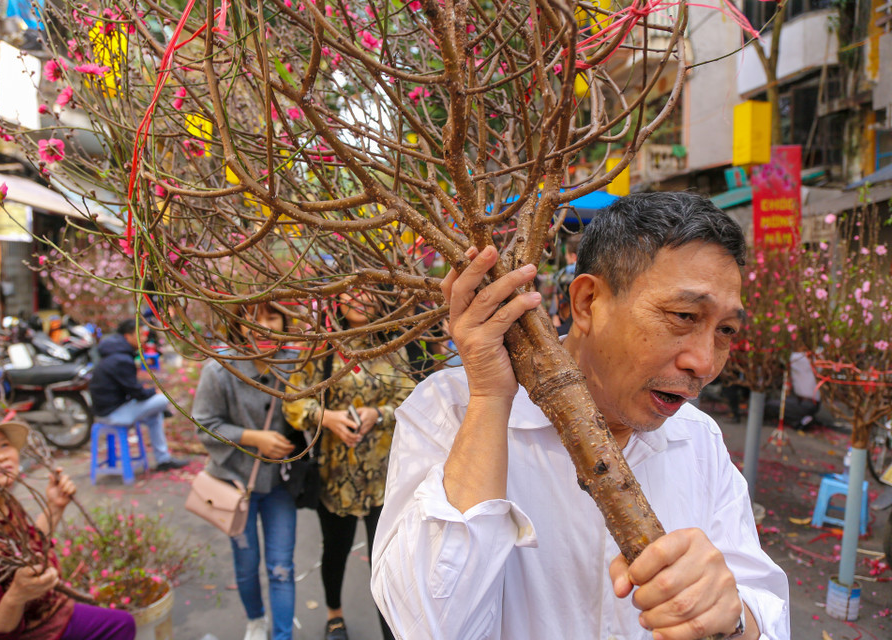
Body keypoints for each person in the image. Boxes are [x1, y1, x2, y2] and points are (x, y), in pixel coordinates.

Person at [371, 192, 790, 639]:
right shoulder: (453, 411)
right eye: (683, 315)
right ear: (588, 302)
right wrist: (491, 399)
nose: (704, 364)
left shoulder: (699, 439)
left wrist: (733, 619)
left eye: (725, 330)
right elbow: (427, 627)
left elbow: (764, 607)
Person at [0, 413, 136, 640]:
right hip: (25, 632)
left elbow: (30, 545)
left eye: (4, 445)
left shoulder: (1, 502)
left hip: (48, 613)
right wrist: (16, 597)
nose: (0, 457)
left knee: (122, 623)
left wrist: (54, 508)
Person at [283, 292, 415, 640]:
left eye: (369, 290)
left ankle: (391, 629)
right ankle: (334, 616)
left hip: (384, 478)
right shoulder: (321, 347)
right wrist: (326, 417)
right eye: (352, 290)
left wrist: (379, 414)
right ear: (337, 298)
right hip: (335, 477)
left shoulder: (392, 345)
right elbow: (293, 402)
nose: (360, 298)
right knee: (335, 551)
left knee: (386, 561)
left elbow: (409, 398)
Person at [192, 303, 298, 640]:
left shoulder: (297, 365)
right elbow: (204, 424)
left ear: (285, 322)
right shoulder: (220, 369)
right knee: (246, 563)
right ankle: (255, 619)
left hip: (280, 484)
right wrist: (254, 438)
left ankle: (282, 635)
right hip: (235, 484)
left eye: (272, 316)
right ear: (238, 324)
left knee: (281, 567)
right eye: (252, 318)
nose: (262, 326)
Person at [89, 318, 188, 471]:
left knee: (155, 415)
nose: (144, 339)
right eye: (140, 335)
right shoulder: (120, 359)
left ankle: (163, 460)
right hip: (112, 413)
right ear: (128, 336)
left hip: (109, 408)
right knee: (162, 399)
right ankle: (163, 458)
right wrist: (153, 392)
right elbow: (136, 393)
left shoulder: (115, 353)